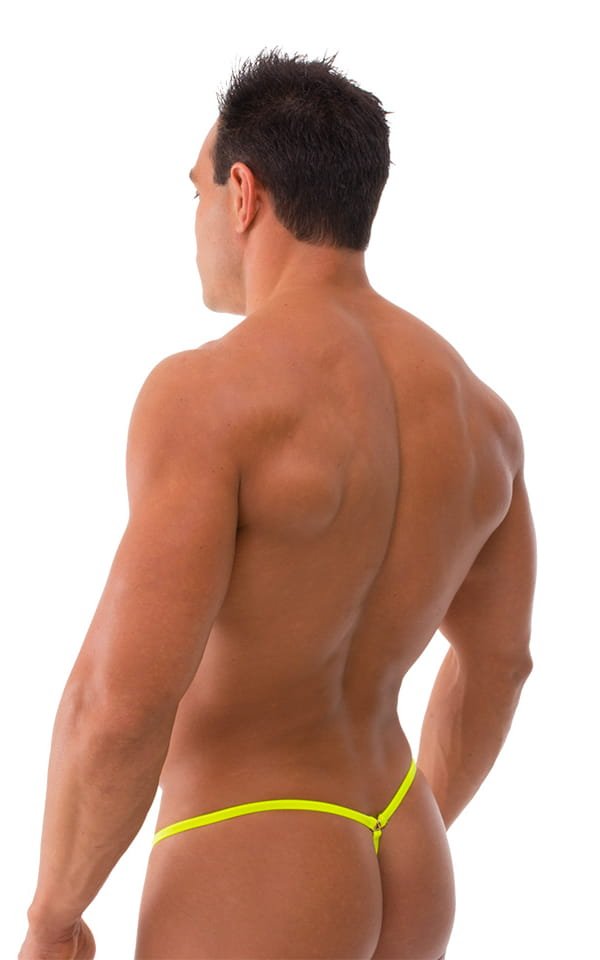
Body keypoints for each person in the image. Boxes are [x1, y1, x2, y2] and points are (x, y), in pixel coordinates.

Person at [20, 49, 536, 960]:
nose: (195, 222)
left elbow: (118, 702)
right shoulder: (480, 415)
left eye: (196, 191)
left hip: (256, 851)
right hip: (408, 842)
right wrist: (398, 825)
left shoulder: (210, 395)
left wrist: (52, 916)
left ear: (242, 194)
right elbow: (500, 666)